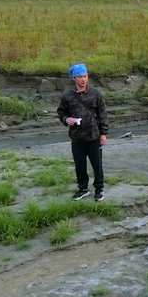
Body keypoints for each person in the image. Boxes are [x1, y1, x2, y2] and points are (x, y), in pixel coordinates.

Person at [57, 63, 109, 201]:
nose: (83, 79)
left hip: (94, 136)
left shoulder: (95, 94)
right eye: (80, 77)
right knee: (80, 166)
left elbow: (103, 114)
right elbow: (61, 112)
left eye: (85, 76)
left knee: (97, 166)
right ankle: (83, 189)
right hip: (77, 138)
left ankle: (99, 189)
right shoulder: (67, 96)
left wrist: (103, 134)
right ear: (74, 78)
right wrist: (67, 119)